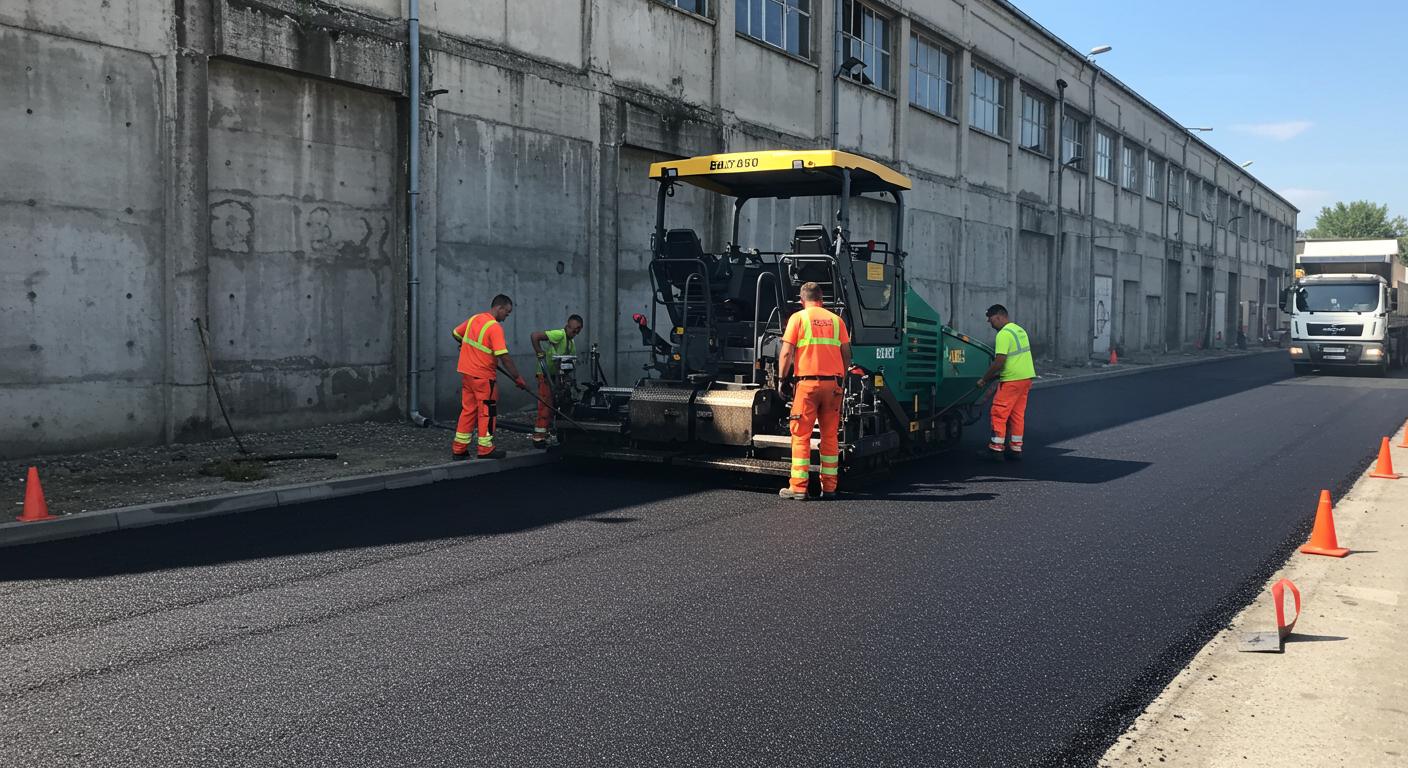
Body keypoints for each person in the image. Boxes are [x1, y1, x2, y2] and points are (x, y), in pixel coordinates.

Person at [776, 281, 851, 500]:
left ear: (802, 300)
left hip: (807, 385)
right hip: (833, 386)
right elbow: (846, 354)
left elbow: (786, 353)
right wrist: (841, 379)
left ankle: (799, 488)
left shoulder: (798, 318)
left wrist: (781, 379)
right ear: (822, 299)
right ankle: (829, 488)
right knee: (830, 436)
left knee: (801, 435)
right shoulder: (837, 321)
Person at [450, 295, 527, 459]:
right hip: (484, 377)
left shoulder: (474, 319)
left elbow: (456, 333)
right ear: (499, 308)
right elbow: (504, 356)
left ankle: (459, 449)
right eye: (506, 312)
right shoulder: (494, 327)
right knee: (487, 411)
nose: (506, 317)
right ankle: (485, 448)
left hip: (467, 374)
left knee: (468, 410)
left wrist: (466, 345)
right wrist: (517, 377)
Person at [975, 304, 1035, 461]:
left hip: (1011, 380)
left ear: (999, 316)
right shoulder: (1019, 330)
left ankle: (996, 449)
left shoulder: (1003, 334)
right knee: (1017, 415)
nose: (990, 323)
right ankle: (1016, 448)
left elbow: (1000, 361)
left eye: (991, 320)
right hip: (1025, 378)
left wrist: (984, 379)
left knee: (999, 413)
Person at [529, 314, 584, 449]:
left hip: (556, 377)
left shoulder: (571, 343)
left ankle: (548, 434)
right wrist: (539, 352)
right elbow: (535, 336)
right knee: (546, 405)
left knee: (555, 406)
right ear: (567, 326)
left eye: (576, 330)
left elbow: (569, 362)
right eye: (572, 328)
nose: (573, 331)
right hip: (546, 375)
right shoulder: (559, 334)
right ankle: (538, 437)